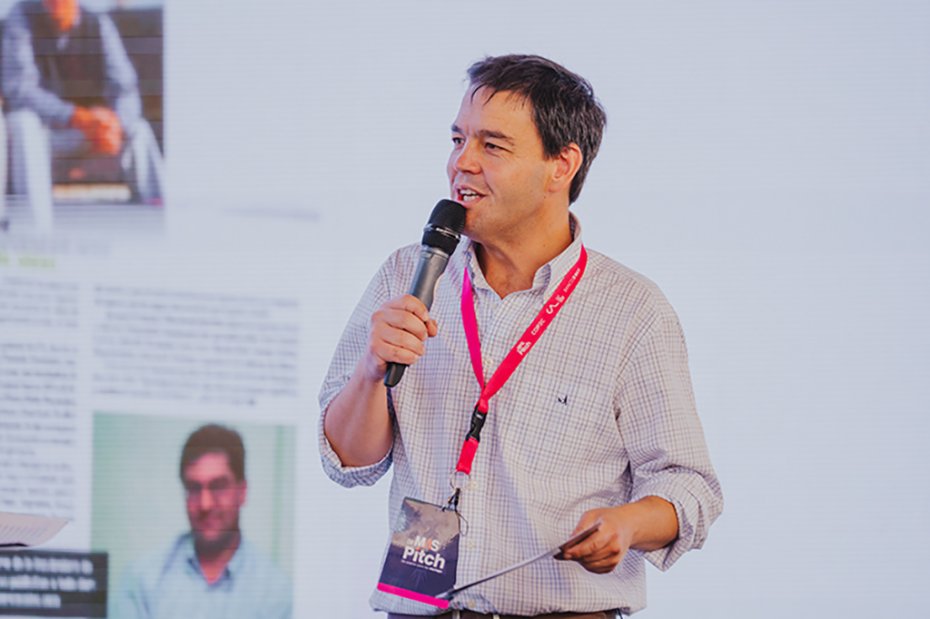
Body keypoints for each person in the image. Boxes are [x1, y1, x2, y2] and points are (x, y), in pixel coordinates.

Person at [319, 54, 723, 618]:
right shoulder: (407, 273)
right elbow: (349, 461)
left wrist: (628, 524)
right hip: (417, 610)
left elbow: (690, 487)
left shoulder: (632, 310)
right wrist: (369, 372)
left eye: (492, 146)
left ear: (561, 166)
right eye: (458, 140)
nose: (462, 163)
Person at [1, 0, 163, 231]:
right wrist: (75, 116)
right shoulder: (22, 17)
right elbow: (19, 89)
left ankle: (162, 224)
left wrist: (115, 125)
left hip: (92, 135)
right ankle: (35, 231)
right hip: (45, 137)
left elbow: (125, 87)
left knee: (139, 130)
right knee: (23, 124)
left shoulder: (97, 24)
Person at [115, 424, 292, 619]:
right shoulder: (142, 581)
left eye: (218, 486)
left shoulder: (275, 591)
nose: (205, 504)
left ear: (242, 492)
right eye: (194, 488)